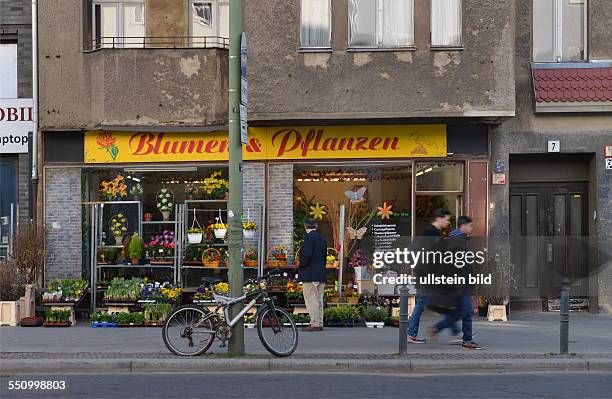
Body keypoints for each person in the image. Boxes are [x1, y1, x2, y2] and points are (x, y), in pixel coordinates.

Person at [428, 216, 483, 350]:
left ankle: (436, 328)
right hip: (461, 283)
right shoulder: (459, 240)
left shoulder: (454, 239)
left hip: (456, 283)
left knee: (461, 312)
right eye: (470, 226)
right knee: (467, 311)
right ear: (463, 226)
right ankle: (467, 340)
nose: (472, 228)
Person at [407, 208, 451, 344]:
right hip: (426, 275)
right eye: (446, 219)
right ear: (439, 218)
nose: (448, 222)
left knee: (433, 302)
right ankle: (411, 334)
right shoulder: (430, 232)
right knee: (421, 304)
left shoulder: (435, 233)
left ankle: (414, 333)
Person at [298, 218, 328, 332]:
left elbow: (306, 255)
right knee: (319, 299)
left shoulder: (309, 237)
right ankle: (320, 322)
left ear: (306, 227)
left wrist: (301, 265)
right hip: (321, 273)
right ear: (316, 226)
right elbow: (324, 256)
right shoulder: (322, 238)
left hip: (310, 273)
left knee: (311, 299)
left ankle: (314, 323)